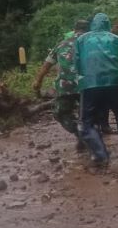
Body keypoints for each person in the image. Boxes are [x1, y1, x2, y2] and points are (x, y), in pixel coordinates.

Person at [75, 12, 118, 165]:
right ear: (108, 25)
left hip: (90, 84)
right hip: (115, 83)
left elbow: (77, 64)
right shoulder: (116, 39)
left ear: (92, 24)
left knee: (87, 122)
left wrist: (83, 81)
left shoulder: (81, 40)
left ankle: (101, 155)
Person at [32, 19, 90, 151]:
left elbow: (46, 66)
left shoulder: (61, 44)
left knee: (60, 113)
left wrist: (37, 82)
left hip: (65, 86)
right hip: (87, 85)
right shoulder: (91, 44)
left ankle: (79, 134)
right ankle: (87, 135)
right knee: (87, 114)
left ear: (74, 29)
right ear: (89, 30)